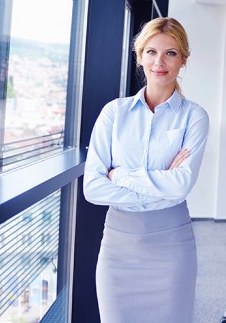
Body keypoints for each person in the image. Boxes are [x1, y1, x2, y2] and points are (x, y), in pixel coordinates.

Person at [83, 17, 209, 322]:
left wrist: (120, 175)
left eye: (170, 53)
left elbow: (181, 186)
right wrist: (161, 186)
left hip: (171, 247)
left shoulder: (194, 117)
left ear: (183, 60)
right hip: (118, 248)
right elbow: (92, 188)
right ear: (140, 57)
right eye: (151, 52)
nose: (159, 62)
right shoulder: (114, 113)